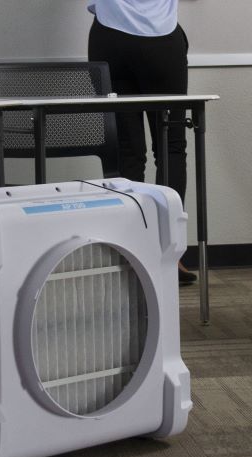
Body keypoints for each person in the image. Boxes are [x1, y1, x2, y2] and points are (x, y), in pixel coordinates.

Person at [87, 0, 196, 284]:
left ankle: (130, 254)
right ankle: (169, 255)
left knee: (126, 151)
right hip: (161, 40)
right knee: (170, 147)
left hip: (109, 38)